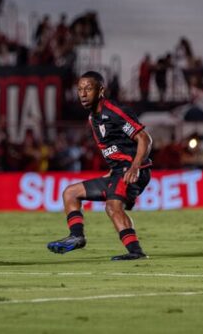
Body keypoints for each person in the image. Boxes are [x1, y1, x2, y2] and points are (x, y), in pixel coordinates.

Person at [47, 71, 153, 261]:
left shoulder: (114, 111)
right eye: (80, 89)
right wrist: (112, 171)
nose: (83, 93)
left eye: (88, 88)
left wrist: (135, 167)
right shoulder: (92, 118)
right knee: (70, 193)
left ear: (101, 90)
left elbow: (144, 138)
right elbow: (116, 149)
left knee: (112, 207)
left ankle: (135, 252)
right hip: (117, 172)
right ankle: (77, 236)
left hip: (133, 170)